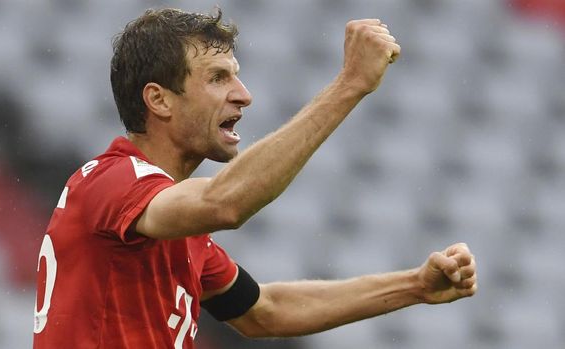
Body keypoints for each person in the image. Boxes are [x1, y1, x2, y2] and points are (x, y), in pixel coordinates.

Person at [32, 7, 477, 349]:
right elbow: (225, 204)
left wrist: (414, 286)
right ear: (159, 100)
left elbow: (265, 311)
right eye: (218, 78)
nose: (243, 95)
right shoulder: (111, 179)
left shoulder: (174, 224)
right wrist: (350, 84)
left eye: (236, 77)